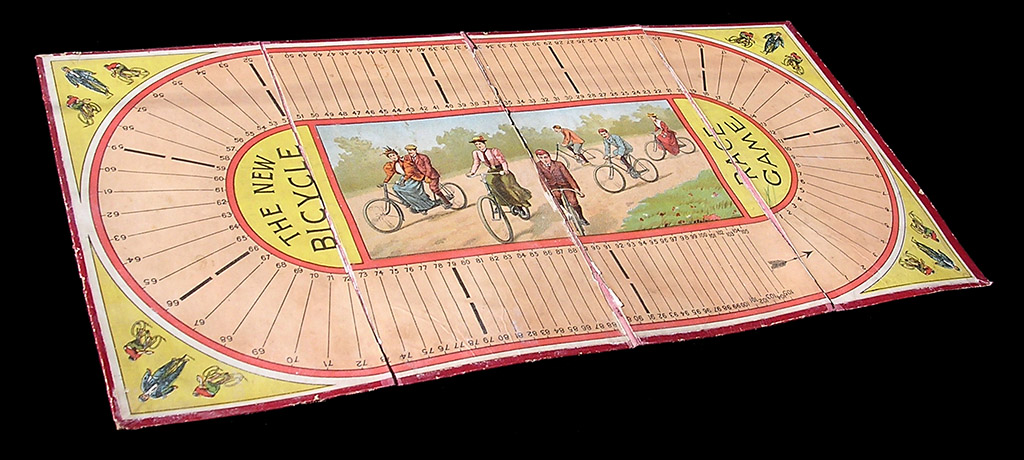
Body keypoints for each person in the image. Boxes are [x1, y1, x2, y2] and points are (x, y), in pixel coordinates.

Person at [466, 136, 532, 217]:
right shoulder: (476, 153)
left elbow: (502, 161)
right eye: (476, 144)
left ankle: (520, 204)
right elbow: (476, 163)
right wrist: (472, 172)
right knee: (491, 185)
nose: (479, 146)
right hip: (492, 171)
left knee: (508, 186)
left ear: (484, 143)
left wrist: (505, 169)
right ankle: (499, 203)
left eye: (480, 144)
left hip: (501, 169)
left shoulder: (493, 151)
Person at [535, 149, 588, 226]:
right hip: (553, 187)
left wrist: (576, 189)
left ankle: (581, 217)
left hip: (564, 184)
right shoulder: (538, 166)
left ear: (549, 157)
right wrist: (546, 191)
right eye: (541, 158)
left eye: (546, 157)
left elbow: (568, 176)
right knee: (556, 199)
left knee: (573, 201)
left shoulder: (559, 164)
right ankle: (565, 214)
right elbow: (542, 179)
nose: (544, 160)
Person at [380, 147, 437, 215]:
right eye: (391, 156)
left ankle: (423, 206)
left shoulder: (404, 161)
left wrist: (403, 181)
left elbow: (409, 172)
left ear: (396, 154)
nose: (393, 157)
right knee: (395, 188)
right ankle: (408, 203)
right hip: (405, 178)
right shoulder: (393, 165)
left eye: (393, 155)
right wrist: (385, 182)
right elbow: (390, 174)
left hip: (414, 177)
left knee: (409, 190)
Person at [404, 144, 451, 209]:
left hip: (431, 175)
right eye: (408, 150)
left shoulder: (423, 157)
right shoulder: (408, 158)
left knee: (434, 189)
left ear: (415, 150)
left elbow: (429, 168)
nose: (410, 152)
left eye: (411, 150)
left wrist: (427, 176)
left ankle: (447, 202)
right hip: (421, 176)